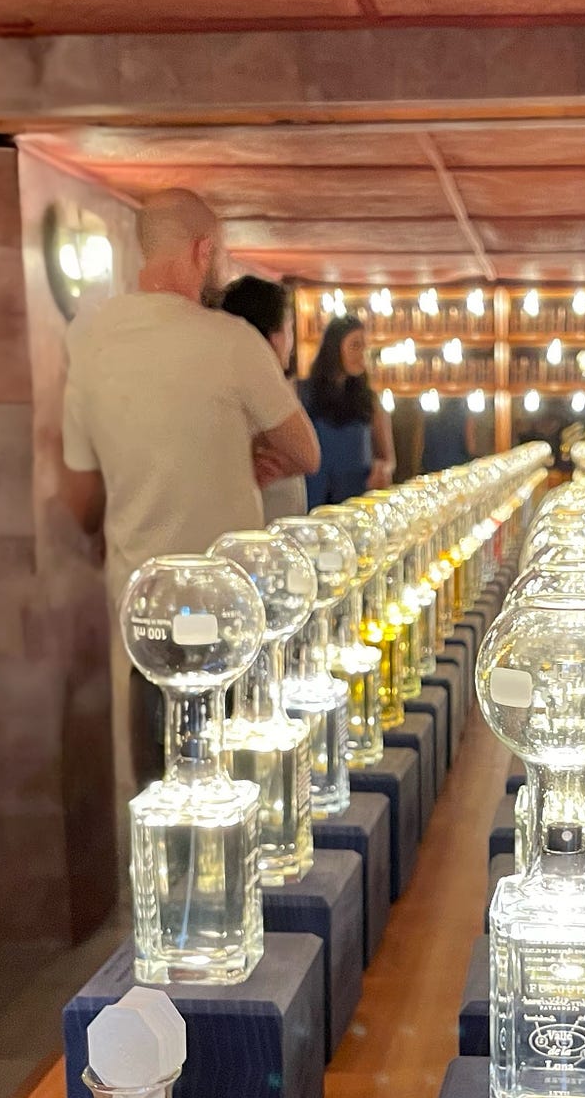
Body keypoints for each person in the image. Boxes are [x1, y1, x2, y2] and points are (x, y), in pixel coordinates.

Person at [61, 189, 320, 786]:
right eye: (223, 256)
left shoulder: (89, 342)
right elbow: (305, 451)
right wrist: (254, 453)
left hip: (142, 618)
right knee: (237, 786)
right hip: (228, 611)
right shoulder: (232, 342)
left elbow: (80, 499)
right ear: (205, 252)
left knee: (159, 790)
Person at [219, 274, 313, 519]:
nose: (291, 343)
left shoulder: (217, 386)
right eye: (290, 328)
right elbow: (311, 457)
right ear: (274, 337)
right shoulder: (266, 395)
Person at [301, 315, 395, 505]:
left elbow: (387, 458)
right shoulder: (304, 392)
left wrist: (382, 470)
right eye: (355, 345)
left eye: (364, 347)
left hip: (356, 498)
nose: (362, 354)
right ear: (334, 348)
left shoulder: (369, 399)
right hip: (313, 494)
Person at [420, 395, 475, 473]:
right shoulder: (464, 409)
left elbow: (421, 442)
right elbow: (471, 445)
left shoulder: (429, 406)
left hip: (433, 465)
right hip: (458, 467)